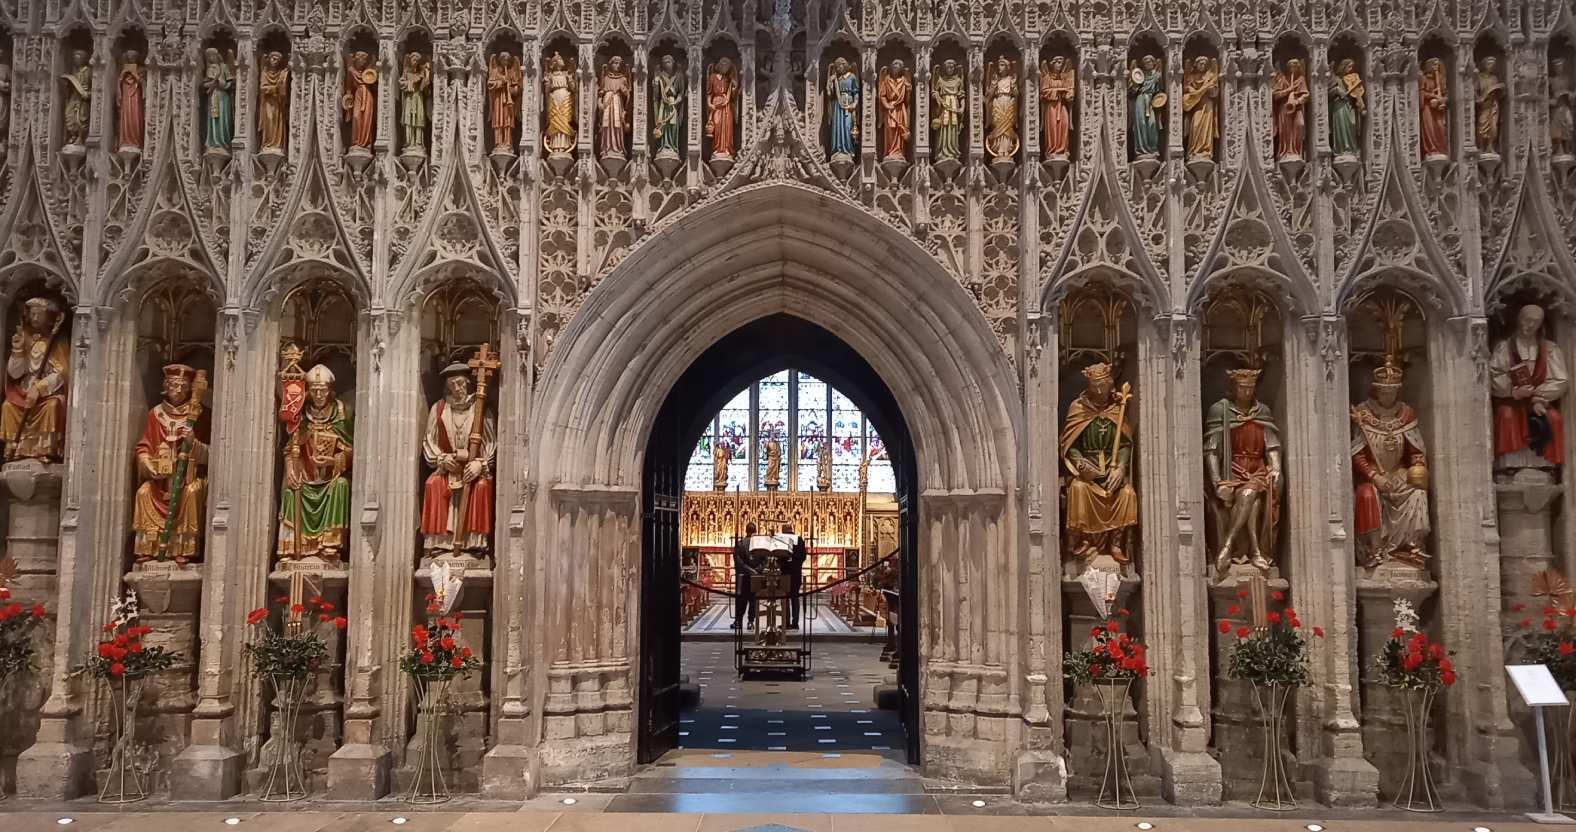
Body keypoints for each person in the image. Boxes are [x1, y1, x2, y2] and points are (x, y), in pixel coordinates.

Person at [1491, 303, 1568, 470]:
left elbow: (1561, 380)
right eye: (1527, 320)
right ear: (1519, 319)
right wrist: (1514, 392)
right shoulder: (1504, 348)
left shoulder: (1550, 349)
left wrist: (1539, 397)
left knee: (1554, 418)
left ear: (1541, 324)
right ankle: (1510, 465)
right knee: (1506, 415)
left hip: (1539, 402)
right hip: (1512, 400)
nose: (1530, 325)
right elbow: (1493, 376)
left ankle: (1545, 465)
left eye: (1536, 321)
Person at [1, 297, 70, 462]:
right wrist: (17, 352)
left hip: (48, 392)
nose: (35, 318)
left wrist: (40, 388)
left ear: (49, 318)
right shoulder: (25, 340)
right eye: (32, 314)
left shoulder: (57, 342)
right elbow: (15, 374)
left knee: (52, 406)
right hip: (24, 390)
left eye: (39, 315)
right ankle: (17, 448)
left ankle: (44, 449)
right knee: (8, 406)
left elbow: (62, 372)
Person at [780, 522, 808, 629]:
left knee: (785, 598)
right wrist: (796, 564)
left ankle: (786, 623)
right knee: (795, 598)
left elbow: (778, 556)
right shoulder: (799, 540)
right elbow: (804, 556)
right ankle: (795, 623)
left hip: (785, 573)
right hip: (796, 573)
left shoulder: (781, 539)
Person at [731, 522, 758, 629]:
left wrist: (748, 570)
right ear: (755, 531)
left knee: (741, 599)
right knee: (753, 600)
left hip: (742, 576)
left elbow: (738, 561)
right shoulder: (759, 545)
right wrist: (755, 570)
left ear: (746, 531)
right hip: (755, 576)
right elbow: (765, 560)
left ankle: (738, 621)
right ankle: (751, 622)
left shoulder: (740, 543)